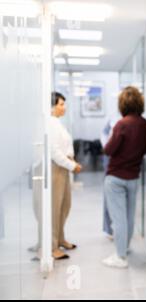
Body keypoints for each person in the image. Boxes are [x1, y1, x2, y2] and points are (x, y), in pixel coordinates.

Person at [102, 86, 146, 268]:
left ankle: (120, 257)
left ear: (122, 104)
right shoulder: (145, 124)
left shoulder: (121, 124)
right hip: (133, 177)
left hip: (115, 177)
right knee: (129, 216)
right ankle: (124, 248)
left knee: (118, 218)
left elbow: (109, 149)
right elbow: (144, 149)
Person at [49, 92, 82, 260]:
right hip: (58, 168)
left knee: (64, 206)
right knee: (55, 208)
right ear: (52, 106)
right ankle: (52, 247)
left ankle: (61, 238)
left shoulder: (57, 123)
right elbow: (54, 152)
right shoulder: (51, 123)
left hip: (64, 168)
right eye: (61, 104)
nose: (64, 107)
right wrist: (72, 165)